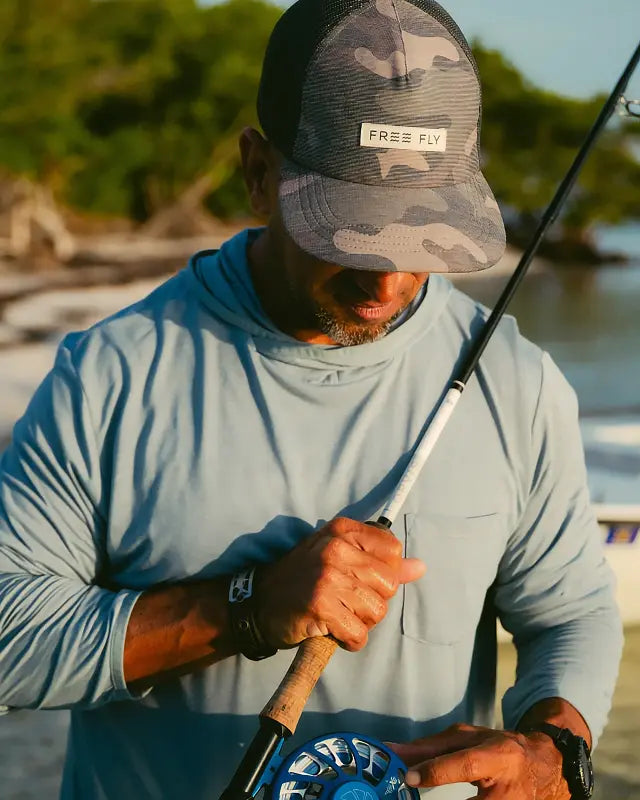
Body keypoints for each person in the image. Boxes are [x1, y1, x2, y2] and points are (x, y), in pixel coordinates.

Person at [0, 1, 622, 798]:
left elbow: (570, 614)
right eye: (350, 232)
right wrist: (247, 609)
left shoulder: (517, 381)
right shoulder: (110, 376)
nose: (387, 282)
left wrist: (552, 750)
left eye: (420, 234)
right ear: (258, 172)